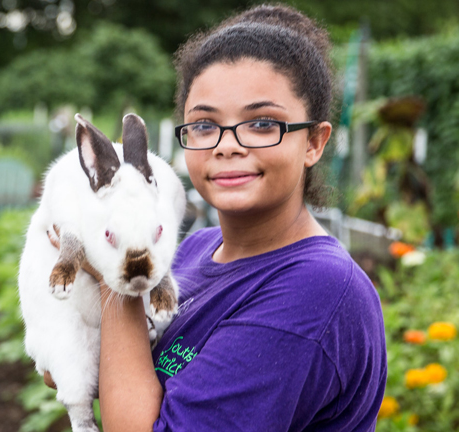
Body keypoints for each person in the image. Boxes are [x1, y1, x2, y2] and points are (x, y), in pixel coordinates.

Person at [48, 4, 387, 431]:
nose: (227, 145)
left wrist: (108, 264)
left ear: (314, 143)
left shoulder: (317, 290)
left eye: (262, 123)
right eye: (205, 125)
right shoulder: (194, 249)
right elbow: (123, 372)